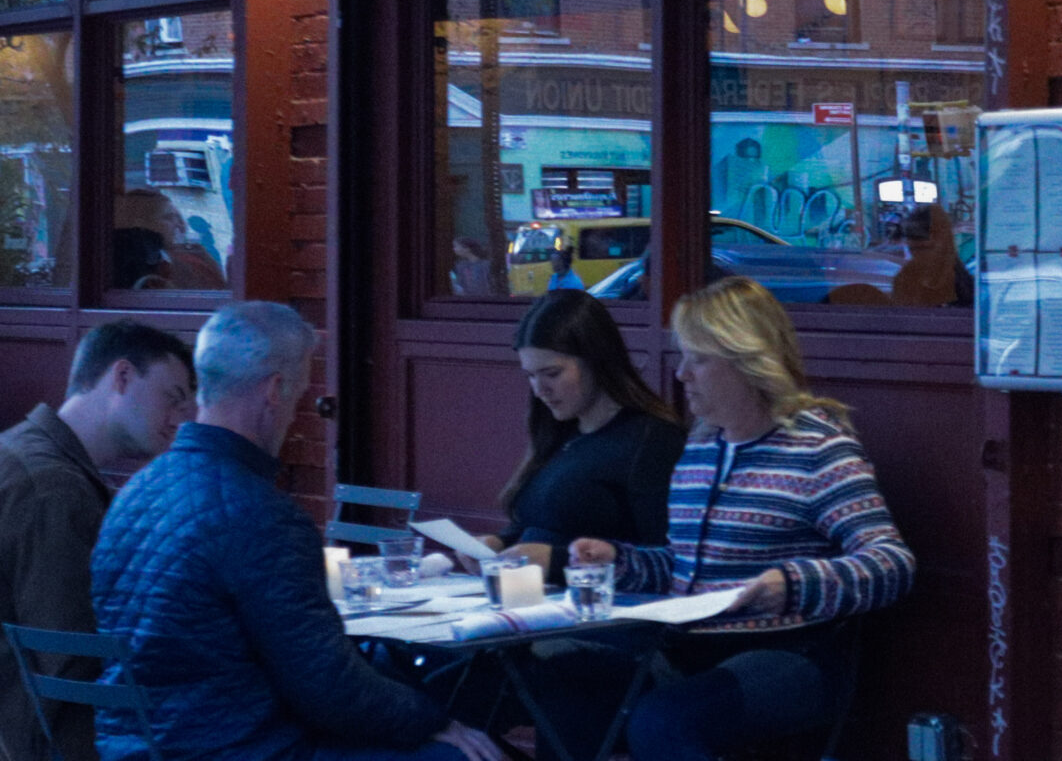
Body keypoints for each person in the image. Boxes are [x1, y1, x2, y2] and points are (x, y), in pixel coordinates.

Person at [90, 303, 503, 761]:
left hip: (135, 746)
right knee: (467, 754)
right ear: (276, 390)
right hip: (240, 748)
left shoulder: (132, 496)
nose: (295, 413)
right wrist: (436, 721)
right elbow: (327, 687)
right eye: (301, 394)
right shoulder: (260, 515)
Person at [547, 277, 915, 761]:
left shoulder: (817, 450)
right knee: (556, 678)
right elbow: (685, 567)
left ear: (747, 362)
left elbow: (892, 563)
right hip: (689, 645)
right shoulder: (701, 449)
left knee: (664, 722)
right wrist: (622, 560)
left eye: (697, 359)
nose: (681, 376)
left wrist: (794, 583)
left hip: (792, 654)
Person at [0, 322, 194, 761]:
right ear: (121, 378)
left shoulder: (21, 451)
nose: (182, 418)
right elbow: (72, 658)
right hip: (48, 739)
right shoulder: (52, 488)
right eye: (174, 396)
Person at [472, 290, 685, 581]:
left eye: (552, 373)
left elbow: (665, 558)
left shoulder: (652, 440)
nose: (539, 389)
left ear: (596, 362)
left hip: (599, 608)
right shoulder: (560, 431)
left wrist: (558, 561)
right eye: (531, 376)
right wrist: (500, 544)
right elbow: (543, 522)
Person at [882, 203, 967, 307]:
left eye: (920, 238)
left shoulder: (908, 277)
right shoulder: (906, 277)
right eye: (911, 236)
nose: (913, 244)